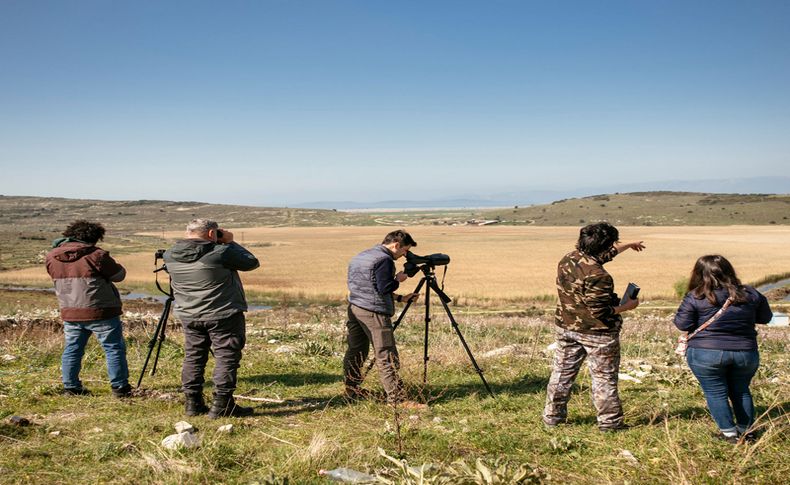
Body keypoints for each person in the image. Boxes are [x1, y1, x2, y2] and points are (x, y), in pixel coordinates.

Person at [543, 222, 645, 431]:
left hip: (566, 326)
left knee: (562, 373)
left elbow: (597, 256)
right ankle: (610, 423)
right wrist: (627, 306)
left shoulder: (568, 259)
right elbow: (600, 311)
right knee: (603, 378)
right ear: (606, 245)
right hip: (598, 334)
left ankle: (552, 418)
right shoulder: (600, 276)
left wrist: (627, 245)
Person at [164, 219, 260, 418]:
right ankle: (222, 404)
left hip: (189, 314)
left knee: (194, 356)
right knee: (226, 357)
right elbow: (251, 262)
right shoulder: (220, 253)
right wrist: (230, 241)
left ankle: (193, 403)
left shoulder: (169, 254)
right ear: (210, 234)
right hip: (223, 313)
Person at [673, 255, 772, 443]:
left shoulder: (696, 296)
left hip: (705, 353)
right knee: (741, 390)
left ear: (698, 274)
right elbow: (765, 318)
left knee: (715, 392)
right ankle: (747, 431)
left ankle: (728, 434)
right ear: (729, 271)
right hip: (745, 352)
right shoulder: (750, 293)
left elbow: (682, 323)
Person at [45, 220, 132, 398]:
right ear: (94, 237)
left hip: (70, 310)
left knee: (73, 348)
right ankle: (120, 388)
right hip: (101, 311)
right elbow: (119, 276)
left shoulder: (51, 256)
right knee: (113, 348)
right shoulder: (96, 255)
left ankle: (71, 387)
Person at [343, 229, 424, 409]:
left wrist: (401, 298)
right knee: (386, 355)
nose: (404, 256)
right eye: (404, 251)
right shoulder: (384, 260)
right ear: (396, 245)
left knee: (357, 350)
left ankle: (351, 388)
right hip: (374, 312)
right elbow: (384, 286)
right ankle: (397, 400)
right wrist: (399, 279)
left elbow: (370, 286)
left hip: (355, 307)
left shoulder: (362, 256)